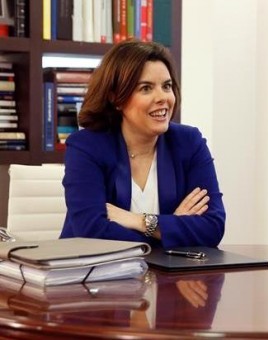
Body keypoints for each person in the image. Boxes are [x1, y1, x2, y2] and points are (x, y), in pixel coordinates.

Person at [61, 39, 226, 249]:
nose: (163, 97)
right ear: (117, 98)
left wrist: (140, 221)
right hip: (90, 275)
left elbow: (213, 227)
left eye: (167, 86)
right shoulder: (86, 146)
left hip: (169, 278)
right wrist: (170, 228)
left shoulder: (189, 142)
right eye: (146, 88)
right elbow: (92, 231)